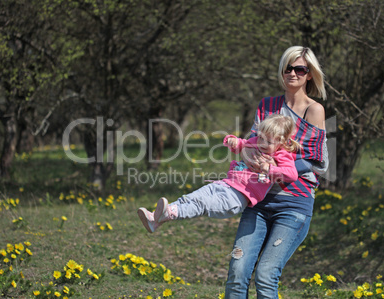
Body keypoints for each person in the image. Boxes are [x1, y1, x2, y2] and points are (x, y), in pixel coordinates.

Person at [224, 46, 329, 299]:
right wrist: (245, 152)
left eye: (300, 69)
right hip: (258, 199)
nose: (292, 73)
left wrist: (276, 168)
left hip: (294, 204)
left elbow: (317, 160)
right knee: (238, 272)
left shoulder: (314, 110)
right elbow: (250, 145)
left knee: (266, 274)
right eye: (288, 68)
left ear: (309, 75)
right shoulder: (267, 105)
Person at [137, 114, 301, 234]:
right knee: (192, 197)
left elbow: (291, 175)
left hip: (238, 197)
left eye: (268, 141)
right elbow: (243, 144)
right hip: (226, 184)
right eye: (260, 138)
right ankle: (155, 220)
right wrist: (233, 141)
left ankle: (170, 214)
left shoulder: (282, 156)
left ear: (282, 141)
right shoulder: (256, 143)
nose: (262, 144)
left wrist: (269, 169)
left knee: (201, 204)